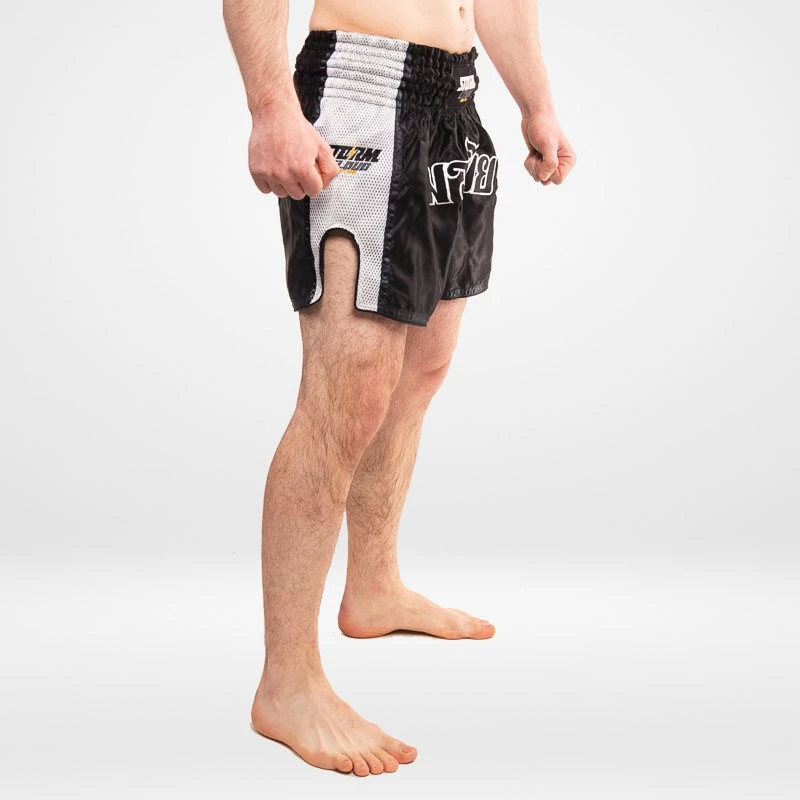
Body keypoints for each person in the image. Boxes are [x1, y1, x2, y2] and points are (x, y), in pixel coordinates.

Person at [223, 0, 575, 777]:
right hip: (363, 88)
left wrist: (537, 102)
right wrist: (271, 106)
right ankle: (286, 683)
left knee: (422, 369)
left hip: (456, 100)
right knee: (343, 401)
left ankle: (374, 586)